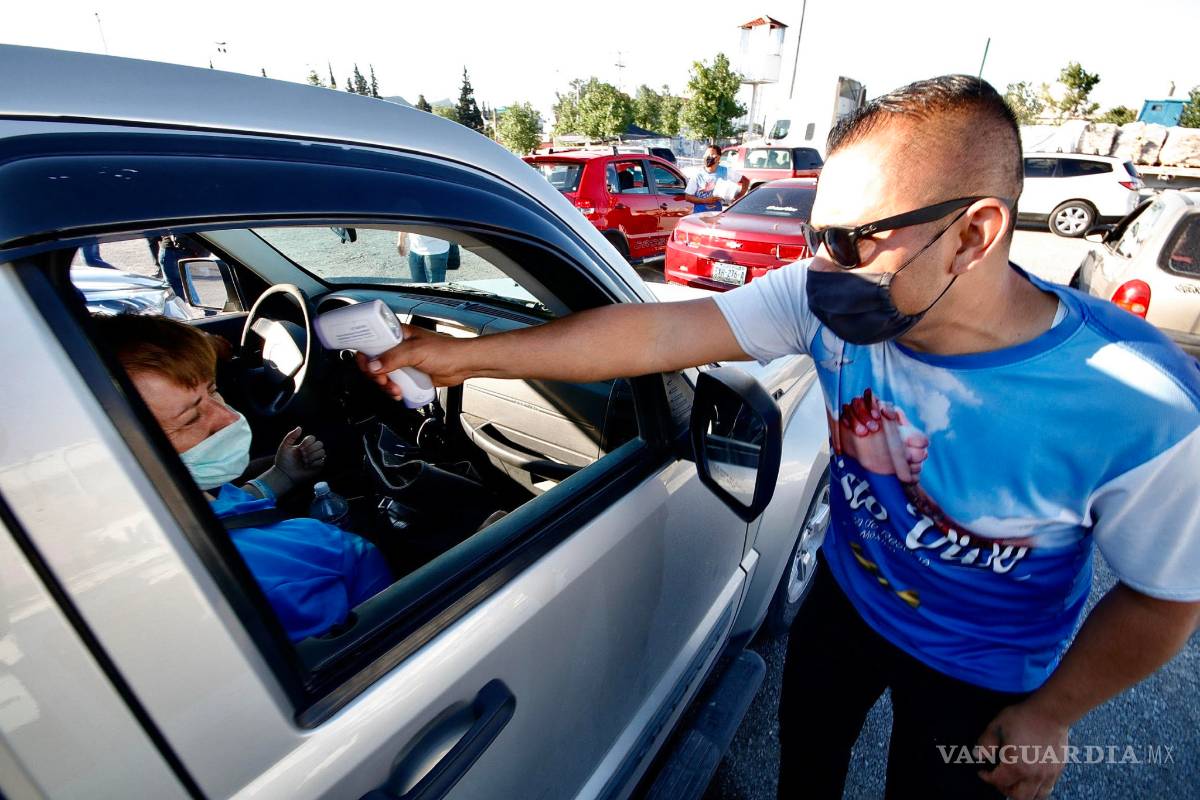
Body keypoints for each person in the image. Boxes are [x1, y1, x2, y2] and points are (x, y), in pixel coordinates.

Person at [355, 75, 1200, 800]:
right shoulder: (823, 294)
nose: (819, 269)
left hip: (986, 667)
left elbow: (1166, 596)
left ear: (974, 234)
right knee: (808, 764)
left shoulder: (1137, 401)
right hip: (850, 600)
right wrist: (464, 359)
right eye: (814, 238)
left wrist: (1054, 715)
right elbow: (652, 337)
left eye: (850, 239)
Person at [92, 314, 392, 642]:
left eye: (214, 390)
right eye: (191, 417)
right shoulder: (283, 569)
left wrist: (282, 476)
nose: (229, 417)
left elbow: (228, 511)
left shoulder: (180, 502)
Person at [682, 144, 748, 212]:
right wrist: (705, 200)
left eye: (711, 154)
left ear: (718, 158)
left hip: (716, 216)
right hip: (699, 217)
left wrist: (739, 197)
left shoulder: (725, 171)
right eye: (706, 155)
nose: (707, 157)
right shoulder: (697, 174)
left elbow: (745, 180)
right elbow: (688, 197)